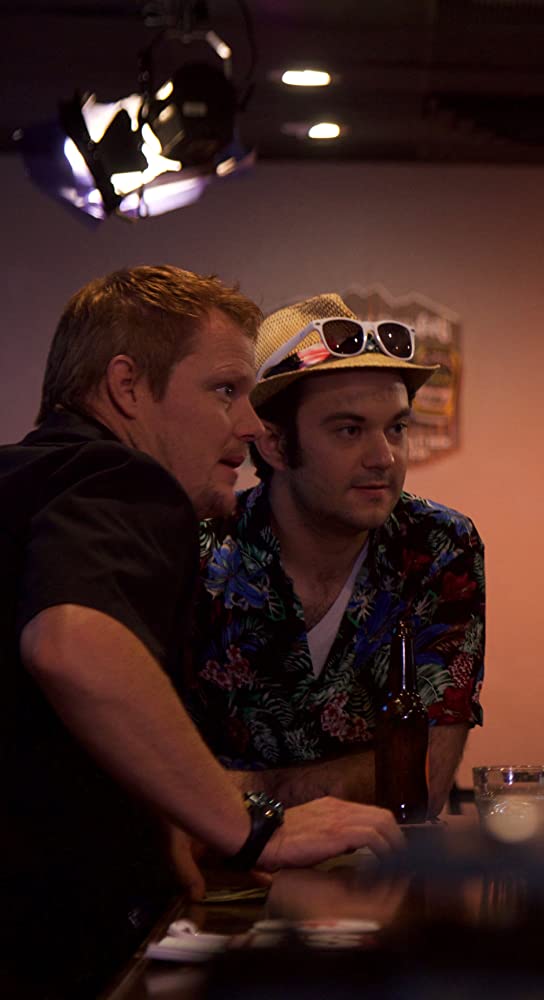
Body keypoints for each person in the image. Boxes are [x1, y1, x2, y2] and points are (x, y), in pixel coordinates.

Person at [0, 267, 405, 996]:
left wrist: (163, 814)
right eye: (225, 391)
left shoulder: (31, 479)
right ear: (127, 386)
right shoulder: (124, 480)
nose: (250, 425)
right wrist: (254, 826)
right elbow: (71, 644)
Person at [177, 293, 484, 821]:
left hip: (375, 865)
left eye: (396, 428)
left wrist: (238, 792)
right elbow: (152, 786)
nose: (384, 457)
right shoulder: (198, 549)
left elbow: (422, 782)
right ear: (274, 444)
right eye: (349, 430)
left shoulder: (437, 545)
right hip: (226, 867)